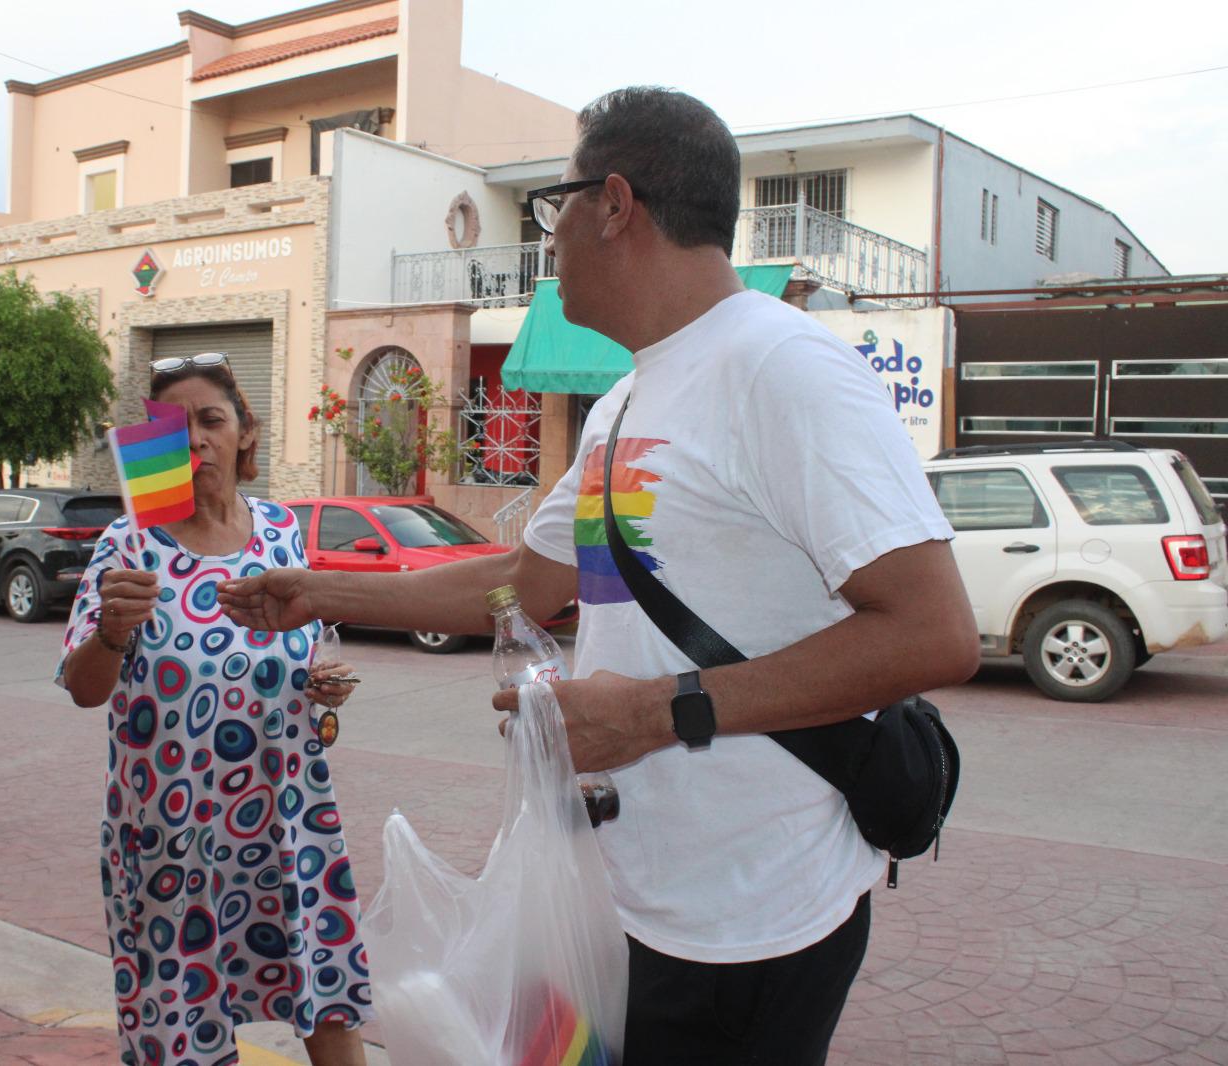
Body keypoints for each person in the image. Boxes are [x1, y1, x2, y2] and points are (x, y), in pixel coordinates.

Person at [219, 87, 979, 1065]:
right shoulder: (626, 398)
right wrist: (322, 590)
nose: (548, 239)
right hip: (614, 905)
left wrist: (658, 711)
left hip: (748, 927)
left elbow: (933, 633)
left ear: (614, 204)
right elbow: (521, 589)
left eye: (554, 207)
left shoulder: (784, 369)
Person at [57, 353, 372, 1066]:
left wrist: (325, 688)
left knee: (326, 997)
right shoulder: (127, 546)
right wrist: (113, 629)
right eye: (173, 427)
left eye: (211, 420)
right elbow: (84, 687)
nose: (194, 439)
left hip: (286, 822)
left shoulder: (283, 533)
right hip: (173, 837)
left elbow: (307, 663)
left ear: (244, 433)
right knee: (183, 1027)